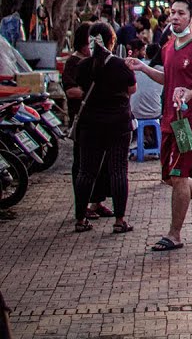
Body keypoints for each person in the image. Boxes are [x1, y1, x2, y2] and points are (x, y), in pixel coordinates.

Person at [126, 0, 192, 252]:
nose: (175, 17)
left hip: (191, 123)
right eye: (172, 13)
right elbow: (168, 78)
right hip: (170, 122)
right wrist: (142, 68)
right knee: (172, 177)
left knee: (179, 175)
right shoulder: (169, 47)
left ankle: (174, 234)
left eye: (181, 13)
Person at [72, 22, 135, 235]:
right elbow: (131, 89)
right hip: (119, 124)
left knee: (86, 171)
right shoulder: (121, 65)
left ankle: (80, 219)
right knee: (118, 170)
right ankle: (119, 221)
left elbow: (81, 90)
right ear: (112, 41)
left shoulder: (83, 66)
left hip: (90, 125)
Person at [127, 41, 163, 121]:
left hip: (134, 113)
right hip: (155, 113)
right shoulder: (162, 70)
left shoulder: (136, 66)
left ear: (146, 55)